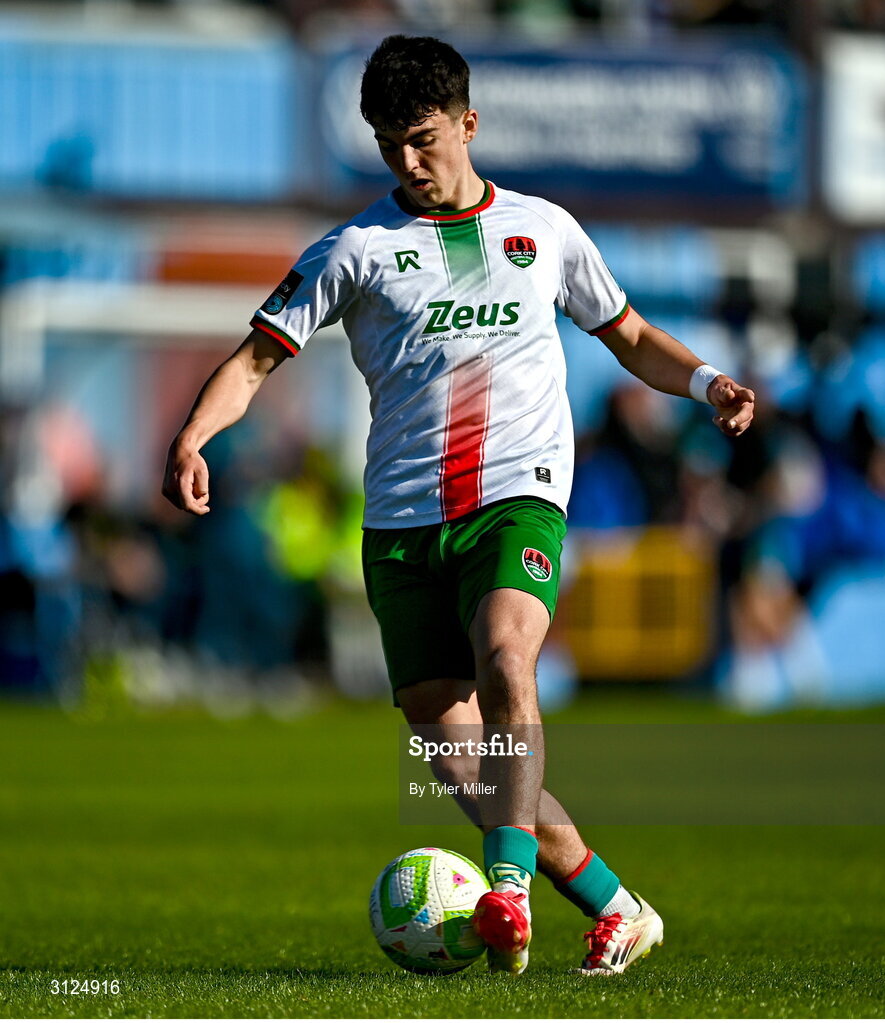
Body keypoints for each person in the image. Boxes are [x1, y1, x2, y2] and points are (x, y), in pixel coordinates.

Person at [162, 34, 755, 976]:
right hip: (401, 527)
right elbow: (255, 360)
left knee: (509, 655)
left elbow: (631, 333)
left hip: (515, 500)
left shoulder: (542, 230)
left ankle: (506, 891)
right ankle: (618, 907)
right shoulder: (355, 250)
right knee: (473, 769)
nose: (407, 161)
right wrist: (195, 436)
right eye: (388, 143)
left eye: (424, 138)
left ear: (469, 124)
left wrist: (708, 380)